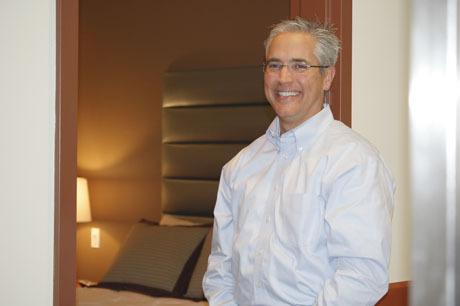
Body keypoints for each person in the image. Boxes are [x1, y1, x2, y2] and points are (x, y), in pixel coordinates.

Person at [203, 17, 395, 306]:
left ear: (328, 77)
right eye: (274, 65)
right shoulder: (239, 167)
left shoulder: (353, 161)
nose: (284, 79)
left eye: (299, 66)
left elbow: (362, 274)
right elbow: (221, 267)